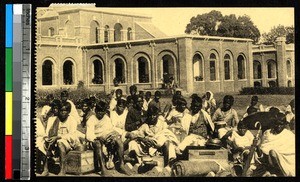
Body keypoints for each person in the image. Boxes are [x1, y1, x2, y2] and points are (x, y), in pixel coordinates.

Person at [85, 100, 130, 176]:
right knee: (98, 144)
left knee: (118, 140)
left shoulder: (106, 118)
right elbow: (89, 135)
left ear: (104, 111)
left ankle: (121, 165)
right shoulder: (91, 119)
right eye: (98, 111)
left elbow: (110, 129)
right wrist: (98, 137)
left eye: (102, 111)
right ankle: (103, 169)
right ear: (95, 111)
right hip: (94, 140)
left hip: (104, 138)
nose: (100, 113)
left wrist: (112, 135)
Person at [43, 102, 80, 176]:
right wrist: (47, 138)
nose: (63, 112)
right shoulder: (52, 119)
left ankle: (63, 169)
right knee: (44, 143)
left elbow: (72, 135)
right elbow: (47, 132)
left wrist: (58, 137)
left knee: (60, 142)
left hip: (69, 143)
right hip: (54, 140)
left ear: (68, 112)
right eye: (61, 110)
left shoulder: (72, 120)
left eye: (65, 110)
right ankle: (45, 169)